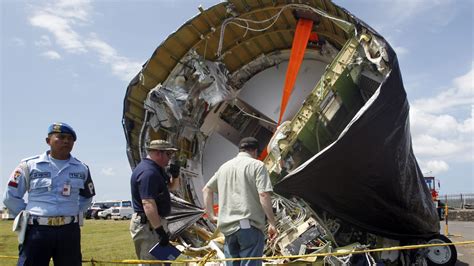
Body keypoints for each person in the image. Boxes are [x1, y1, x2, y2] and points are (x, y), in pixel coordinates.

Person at [3, 122, 96, 266]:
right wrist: (28, 215)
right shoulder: (28, 166)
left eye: (70, 139)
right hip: (37, 230)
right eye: (61, 137)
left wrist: (73, 213)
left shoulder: (81, 168)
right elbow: (10, 197)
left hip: (69, 231)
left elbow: (87, 197)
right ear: (48, 141)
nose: (66, 141)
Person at [203, 137, 277, 266]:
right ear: (255, 151)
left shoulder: (224, 167)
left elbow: (206, 190)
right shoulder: (257, 165)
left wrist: (211, 216)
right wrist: (272, 223)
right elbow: (264, 194)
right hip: (248, 228)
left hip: (228, 229)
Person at [129, 139, 181, 262]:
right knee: (151, 262)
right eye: (168, 154)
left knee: (162, 261)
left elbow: (172, 188)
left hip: (154, 224)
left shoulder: (157, 170)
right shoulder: (148, 173)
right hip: (149, 226)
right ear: (158, 153)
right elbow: (148, 203)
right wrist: (159, 230)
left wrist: (175, 176)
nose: (170, 158)